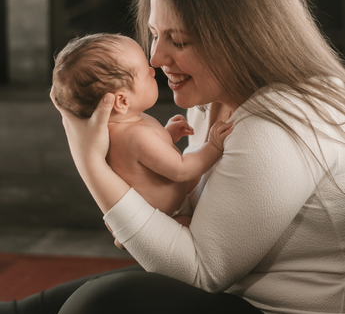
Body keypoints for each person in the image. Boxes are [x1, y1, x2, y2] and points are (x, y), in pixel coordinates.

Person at [1, 0, 345, 314]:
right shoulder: (213, 100)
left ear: (240, 38)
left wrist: (89, 161)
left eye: (178, 40)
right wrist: (150, 218)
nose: (156, 58)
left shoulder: (281, 126)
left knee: (104, 307)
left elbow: (200, 272)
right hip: (233, 299)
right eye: (155, 34)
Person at [52, 33, 232, 224]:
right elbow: (181, 170)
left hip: (170, 205)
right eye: (146, 73)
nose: (153, 70)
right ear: (122, 101)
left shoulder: (126, 126)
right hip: (166, 217)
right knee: (193, 230)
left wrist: (166, 134)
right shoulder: (135, 136)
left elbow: (147, 160)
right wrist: (213, 146)